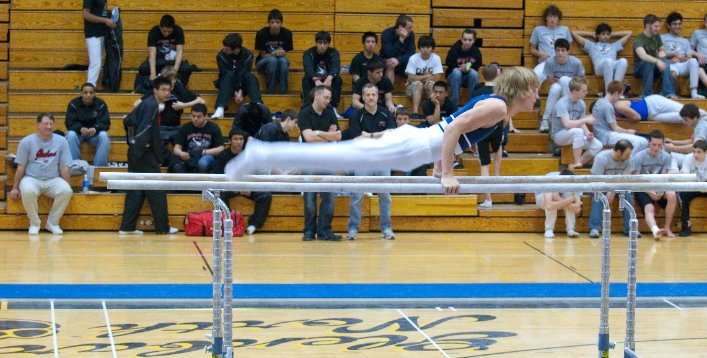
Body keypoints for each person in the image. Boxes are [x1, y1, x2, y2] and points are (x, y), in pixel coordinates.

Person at [226, 67, 541, 195]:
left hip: (416, 145)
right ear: (522, 90)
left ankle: (261, 154)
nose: (537, 97)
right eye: (536, 91)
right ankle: (260, 153)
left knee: (334, 159)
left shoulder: (498, 108)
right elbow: (453, 129)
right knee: (333, 159)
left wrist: (436, 167)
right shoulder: (498, 108)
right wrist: (446, 173)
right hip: (412, 146)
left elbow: (449, 126)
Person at [120, 77, 177, 235]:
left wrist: (131, 143)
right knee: (157, 190)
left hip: (136, 152)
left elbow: (128, 121)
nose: (167, 93)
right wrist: (139, 147)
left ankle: (127, 227)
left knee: (135, 190)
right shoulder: (152, 105)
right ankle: (162, 228)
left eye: (168, 90)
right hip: (143, 153)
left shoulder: (149, 103)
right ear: (155, 90)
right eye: (163, 90)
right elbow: (145, 131)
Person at [343, 84, 396, 240]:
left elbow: (391, 134)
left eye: (373, 94)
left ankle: (386, 228)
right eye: (368, 95)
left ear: (377, 96)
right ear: (363, 97)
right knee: (357, 195)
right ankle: (353, 228)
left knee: (385, 195)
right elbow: (357, 137)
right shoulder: (356, 115)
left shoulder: (386, 114)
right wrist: (379, 134)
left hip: (383, 159)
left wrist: (371, 136)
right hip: (363, 160)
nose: (371, 97)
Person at [9, 113, 73, 235]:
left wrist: (68, 185)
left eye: (51, 124)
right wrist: (15, 188)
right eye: (45, 124)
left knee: (66, 191)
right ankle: (34, 223)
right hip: (31, 178)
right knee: (27, 191)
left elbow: (64, 168)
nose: (49, 126)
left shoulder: (62, 141)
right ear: (38, 125)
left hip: (53, 179)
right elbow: (21, 167)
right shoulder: (26, 142)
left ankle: (52, 223)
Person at [133, 64, 205, 169]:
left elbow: (201, 101)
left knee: (187, 146)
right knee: (156, 145)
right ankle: (171, 162)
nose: (172, 82)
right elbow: (137, 104)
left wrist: (183, 105)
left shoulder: (179, 89)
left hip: (177, 128)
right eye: (168, 79)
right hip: (160, 127)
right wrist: (156, 107)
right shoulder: (157, 90)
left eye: (174, 79)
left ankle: (187, 166)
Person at [297, 85, 343, 241]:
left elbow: (338, 136)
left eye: (329, 98)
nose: (328, 101)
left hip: (326, 159)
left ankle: (325, 231)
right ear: (316, 95)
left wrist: (317, 133)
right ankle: (309, 231)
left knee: (329, 197)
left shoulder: (330, 113)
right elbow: (308, 138)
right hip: (309, 159)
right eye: (326, 97)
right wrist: (327, 136)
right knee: (309, 198)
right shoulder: (304, 114)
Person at [214, 128, 272, 235]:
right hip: (230, 187)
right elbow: (220, 177)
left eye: (241, 139)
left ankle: (254, 224)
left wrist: (248, 186)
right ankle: (228, 222)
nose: (239, 142)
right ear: (230, 141)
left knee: (266, 195)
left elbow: (255, 174)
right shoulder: (223, 155)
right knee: (220, 194)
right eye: (235, 139)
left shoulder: (249, 155)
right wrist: (237, 187)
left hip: (247, 186)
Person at [630, 130, 677, 240]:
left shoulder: (666, 157)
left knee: (672, 195)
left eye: (659, 145)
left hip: (658, 186)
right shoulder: (639, 157)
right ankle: (655, 230)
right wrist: (649, 191)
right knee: (649, 208)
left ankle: (667, 227)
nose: (656, 148)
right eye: (654, 144)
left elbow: (664, 177)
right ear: (648, 143)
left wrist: (660, 191)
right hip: (642, 187)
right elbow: (636, 179)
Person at [551, 76, 602, 169]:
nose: (586, 93)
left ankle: (576, 165)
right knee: (578, 132)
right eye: (584, 91)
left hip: (573, 135)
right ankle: (577, 161)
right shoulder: (562, 103)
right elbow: (567, 124)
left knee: (598, 145)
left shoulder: (581, 103)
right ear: (574, 91)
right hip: (559, 135)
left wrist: (587, 133)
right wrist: (586, 120)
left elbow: (581, 122)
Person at [473, 63, 506, 208]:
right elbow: (506, 116)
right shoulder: (501, 92)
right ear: (497, 74)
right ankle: (497, 174)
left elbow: (472, 114)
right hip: (497, 127)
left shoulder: (477, 91)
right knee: (498, 146)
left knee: (484, 164)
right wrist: (502, 128)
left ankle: (488, 199)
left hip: (481, 130)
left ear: (482, 76)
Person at [588, 140, 635, 238]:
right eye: (627, 154)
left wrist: (613, 189)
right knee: (598, 195)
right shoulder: (601, 158)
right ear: (618, 152)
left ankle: (630, 228)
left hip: (618, 187)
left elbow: (625, 179)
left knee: (627, 194)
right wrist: (610, 188)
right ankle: (595, 227)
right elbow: (596, 180)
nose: (629, 157)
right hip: (601, 186)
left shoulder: (628, 160)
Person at [137, 14, 194, 92]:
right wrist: (152, 73)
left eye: (169, 31)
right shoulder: (154, 31)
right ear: (160, 27)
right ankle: (149, 89)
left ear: (173, 29)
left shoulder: (178, 31)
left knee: (186, 68)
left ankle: (179, 87)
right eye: (164, 31)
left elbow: (180, 51)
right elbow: (152, 54)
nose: (166, 34)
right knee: (144, 67)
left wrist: (174, 72)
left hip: (172, 60)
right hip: (159, 59)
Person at [538, 37, 585, 133]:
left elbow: (582, 80)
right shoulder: (550, 61)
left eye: (563, 50)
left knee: (564, 80)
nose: (560, 53)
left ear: (568, 51)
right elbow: (549, 80)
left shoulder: (576, 62)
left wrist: (567, 80)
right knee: (555, 88)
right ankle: (545, 120)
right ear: (554, 51)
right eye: (558, 50)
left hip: (573, 88)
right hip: (557, 86)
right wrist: (564, 80)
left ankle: (567, 110)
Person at [211, 33, 262, 119]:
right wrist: (236, 90)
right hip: (227, 85)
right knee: (228, 74)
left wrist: (240, 90)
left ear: (235, 49)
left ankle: (258, 106)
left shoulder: (248, 55)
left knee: (250, 76)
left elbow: (244, 72)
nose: (224, 50)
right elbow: (224, 73)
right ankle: (220, 109)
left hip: (242, 85)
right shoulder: (221, 55)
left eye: (227, 49)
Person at [571, 23, 631, 93]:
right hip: (599, 67)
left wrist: (612, 34)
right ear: (598, 35)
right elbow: (574, 33)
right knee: (608, 61)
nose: (606, 36)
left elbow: (629, 33)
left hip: (611, 66)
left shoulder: (614, 46)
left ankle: (616, 91)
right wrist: (591, 34)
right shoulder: (591, 45)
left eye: (608, 34)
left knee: (623, 61)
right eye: (603, 34)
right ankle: (609, 92)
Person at [664, 103, 707, 170]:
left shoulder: (701, 127)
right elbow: (691, 141)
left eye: (686, 120)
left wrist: (673, 148)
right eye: (683, 119)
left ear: (695, 118)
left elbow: (695, 147)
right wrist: (673, 142)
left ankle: (675, 174)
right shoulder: (701, 124)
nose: (684, 122)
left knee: (673, 156)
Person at [82, 0, 116, 88]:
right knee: (95, 63)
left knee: (99, 63)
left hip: (101, 34)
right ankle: (89, 89)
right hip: (93, 35)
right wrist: (104, 20)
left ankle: (92, 87)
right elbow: (86, 14)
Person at [591, 81, 647, 151]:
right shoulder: (607, 106)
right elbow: (616, 128)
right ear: (616, 93)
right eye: (619, 96)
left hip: (601, 135)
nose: (619, 99)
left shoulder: (599, 101)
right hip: (606, 136)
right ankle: (629, 160)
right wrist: (628, 131)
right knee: (642, 142)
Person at [65, 82, 111, 166]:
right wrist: (80, 128)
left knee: (104, 136)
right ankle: (75, 166)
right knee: (70, 135)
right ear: (81, 93)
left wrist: (95, 129)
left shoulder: (101, 104)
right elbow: (69, 123)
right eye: (85, 92)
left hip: (94, 135)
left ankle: (99, 168)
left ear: (94, 94)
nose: (88, 95)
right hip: (78, 134)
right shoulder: (73, 104)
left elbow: (106, 123)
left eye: (91, 92)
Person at [171, 103, 226, 174]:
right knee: (177, 165)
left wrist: (203, 152)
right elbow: (176, 148)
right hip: (189, 157)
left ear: (205, 116)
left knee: (203, 163)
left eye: (199, 117)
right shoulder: (185, 128)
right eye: (193, 116)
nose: (195, 119)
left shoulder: (214, 128)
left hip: (207, 156)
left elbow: (221, 148)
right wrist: (181, 154)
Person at [661, 12, 703, 99]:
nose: (677, 26)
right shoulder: (662, 37)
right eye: (675, 24)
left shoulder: (685, 41)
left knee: (693, 61)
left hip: (682, 64)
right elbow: (660, 54)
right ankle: (673, 95)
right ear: (669, 26)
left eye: (679, 24)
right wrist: (673, 56)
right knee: (672, 74)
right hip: (670, 64)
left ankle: (694, 92)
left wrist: (680, 59)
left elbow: (689, 56)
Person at [633, 14, 676, 98]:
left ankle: (668, 93)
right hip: (640, 68)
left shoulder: (656, 36)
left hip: (655, 66)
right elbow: (643, 56)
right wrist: (657, 61)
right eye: (656, 26)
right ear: (648, 25)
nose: (658, 29)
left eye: (659, 26)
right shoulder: (639, 39)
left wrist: (661, 52)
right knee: (649, 63)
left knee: (665, 62)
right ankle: (647, 94)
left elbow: (661, 49)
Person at [254, 8, 293, 95]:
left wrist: (283, 52)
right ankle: (270, 91)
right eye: (272, 22)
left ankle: (283, 91)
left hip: (280, 61)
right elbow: (263, 55)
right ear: (269, 23)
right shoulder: (261, 33)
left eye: (277, 22)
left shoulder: (287, 33)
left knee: (283, 60)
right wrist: (274, 54)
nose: (275, 25)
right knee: (273, 60)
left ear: (281, 23)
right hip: (262, 62)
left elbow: (285, 52)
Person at [405, 35, 443, 119]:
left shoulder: (436, 58)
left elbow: (437, 77)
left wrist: (419, 77)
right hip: (412, 87)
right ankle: (415, 113)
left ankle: (431, 112)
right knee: (419, 84)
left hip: (428, 85)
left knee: (431, 85)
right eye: (423, 47)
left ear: (432, 48)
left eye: (428, 47)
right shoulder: (413, 58)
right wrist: (428, 75)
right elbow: (411, 78)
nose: (425, 50)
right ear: (419, 47)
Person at [302, 30, 343, 109]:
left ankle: (333, 107)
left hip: (327, 80)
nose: (322, 46)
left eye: (325, 43)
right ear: (316, 43)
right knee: (306, 79)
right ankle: (307, 106)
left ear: (328, 44)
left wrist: (330, 77)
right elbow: (308, 68)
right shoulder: (308, 53)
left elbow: (336, 66)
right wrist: (316, 80)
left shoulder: (333, 52)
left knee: (338, 79)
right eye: (320, 43)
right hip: (314, 80)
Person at [613, 94, 707, 124]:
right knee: (681, 118)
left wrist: (623, 121)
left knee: (685, 110)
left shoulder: (617, 105)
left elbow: (637, 117)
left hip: (653, 103)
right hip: (652, 116)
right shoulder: (615, 114)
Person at [529, 4, 571, 80]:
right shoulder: (538, 30)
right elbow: (532, 49)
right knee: (534, 78)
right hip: (545, 63)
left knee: (565, 82)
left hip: (561, 63)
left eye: (555, 17)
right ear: (546, 18)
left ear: (558, 18)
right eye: (550, 16)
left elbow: (568, 50)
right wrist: (540, 53)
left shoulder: (565, 30)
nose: (552, 19)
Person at [535, 170, 581, 238]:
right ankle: (549, 229)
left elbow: (577, 209)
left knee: (567, 196)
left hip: (558, 198)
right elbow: (549, 205)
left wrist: (560, 199)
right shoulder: (551, 179)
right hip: (541, 198)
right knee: (553, 200)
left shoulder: (575, 182)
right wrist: (567, 201)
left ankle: (571, 229)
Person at [444, 29, 482, 103]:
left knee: (473, 73)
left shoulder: (476, 52)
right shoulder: (454, 49)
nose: (467, 42)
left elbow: (477, 67)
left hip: (468, 78)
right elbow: (449, 64)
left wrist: (469, 69)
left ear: (474, 40)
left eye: (470, 40)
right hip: (453, 78)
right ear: (461, 39)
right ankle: (454, 104)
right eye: (465, 39)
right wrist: (459, 68)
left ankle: (472, 102)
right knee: (456, 73)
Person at [380, 14, 415, 84]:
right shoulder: (386, 34)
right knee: (390, 63)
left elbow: (411, 53)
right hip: (386, 60)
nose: (411, 30)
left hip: (403, 61)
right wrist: (401, 39)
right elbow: (390, 54)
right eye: (409, 27)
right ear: (401, 27)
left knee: (416, 63)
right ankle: (388, 92)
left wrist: (398, 60)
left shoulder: (411, 34)